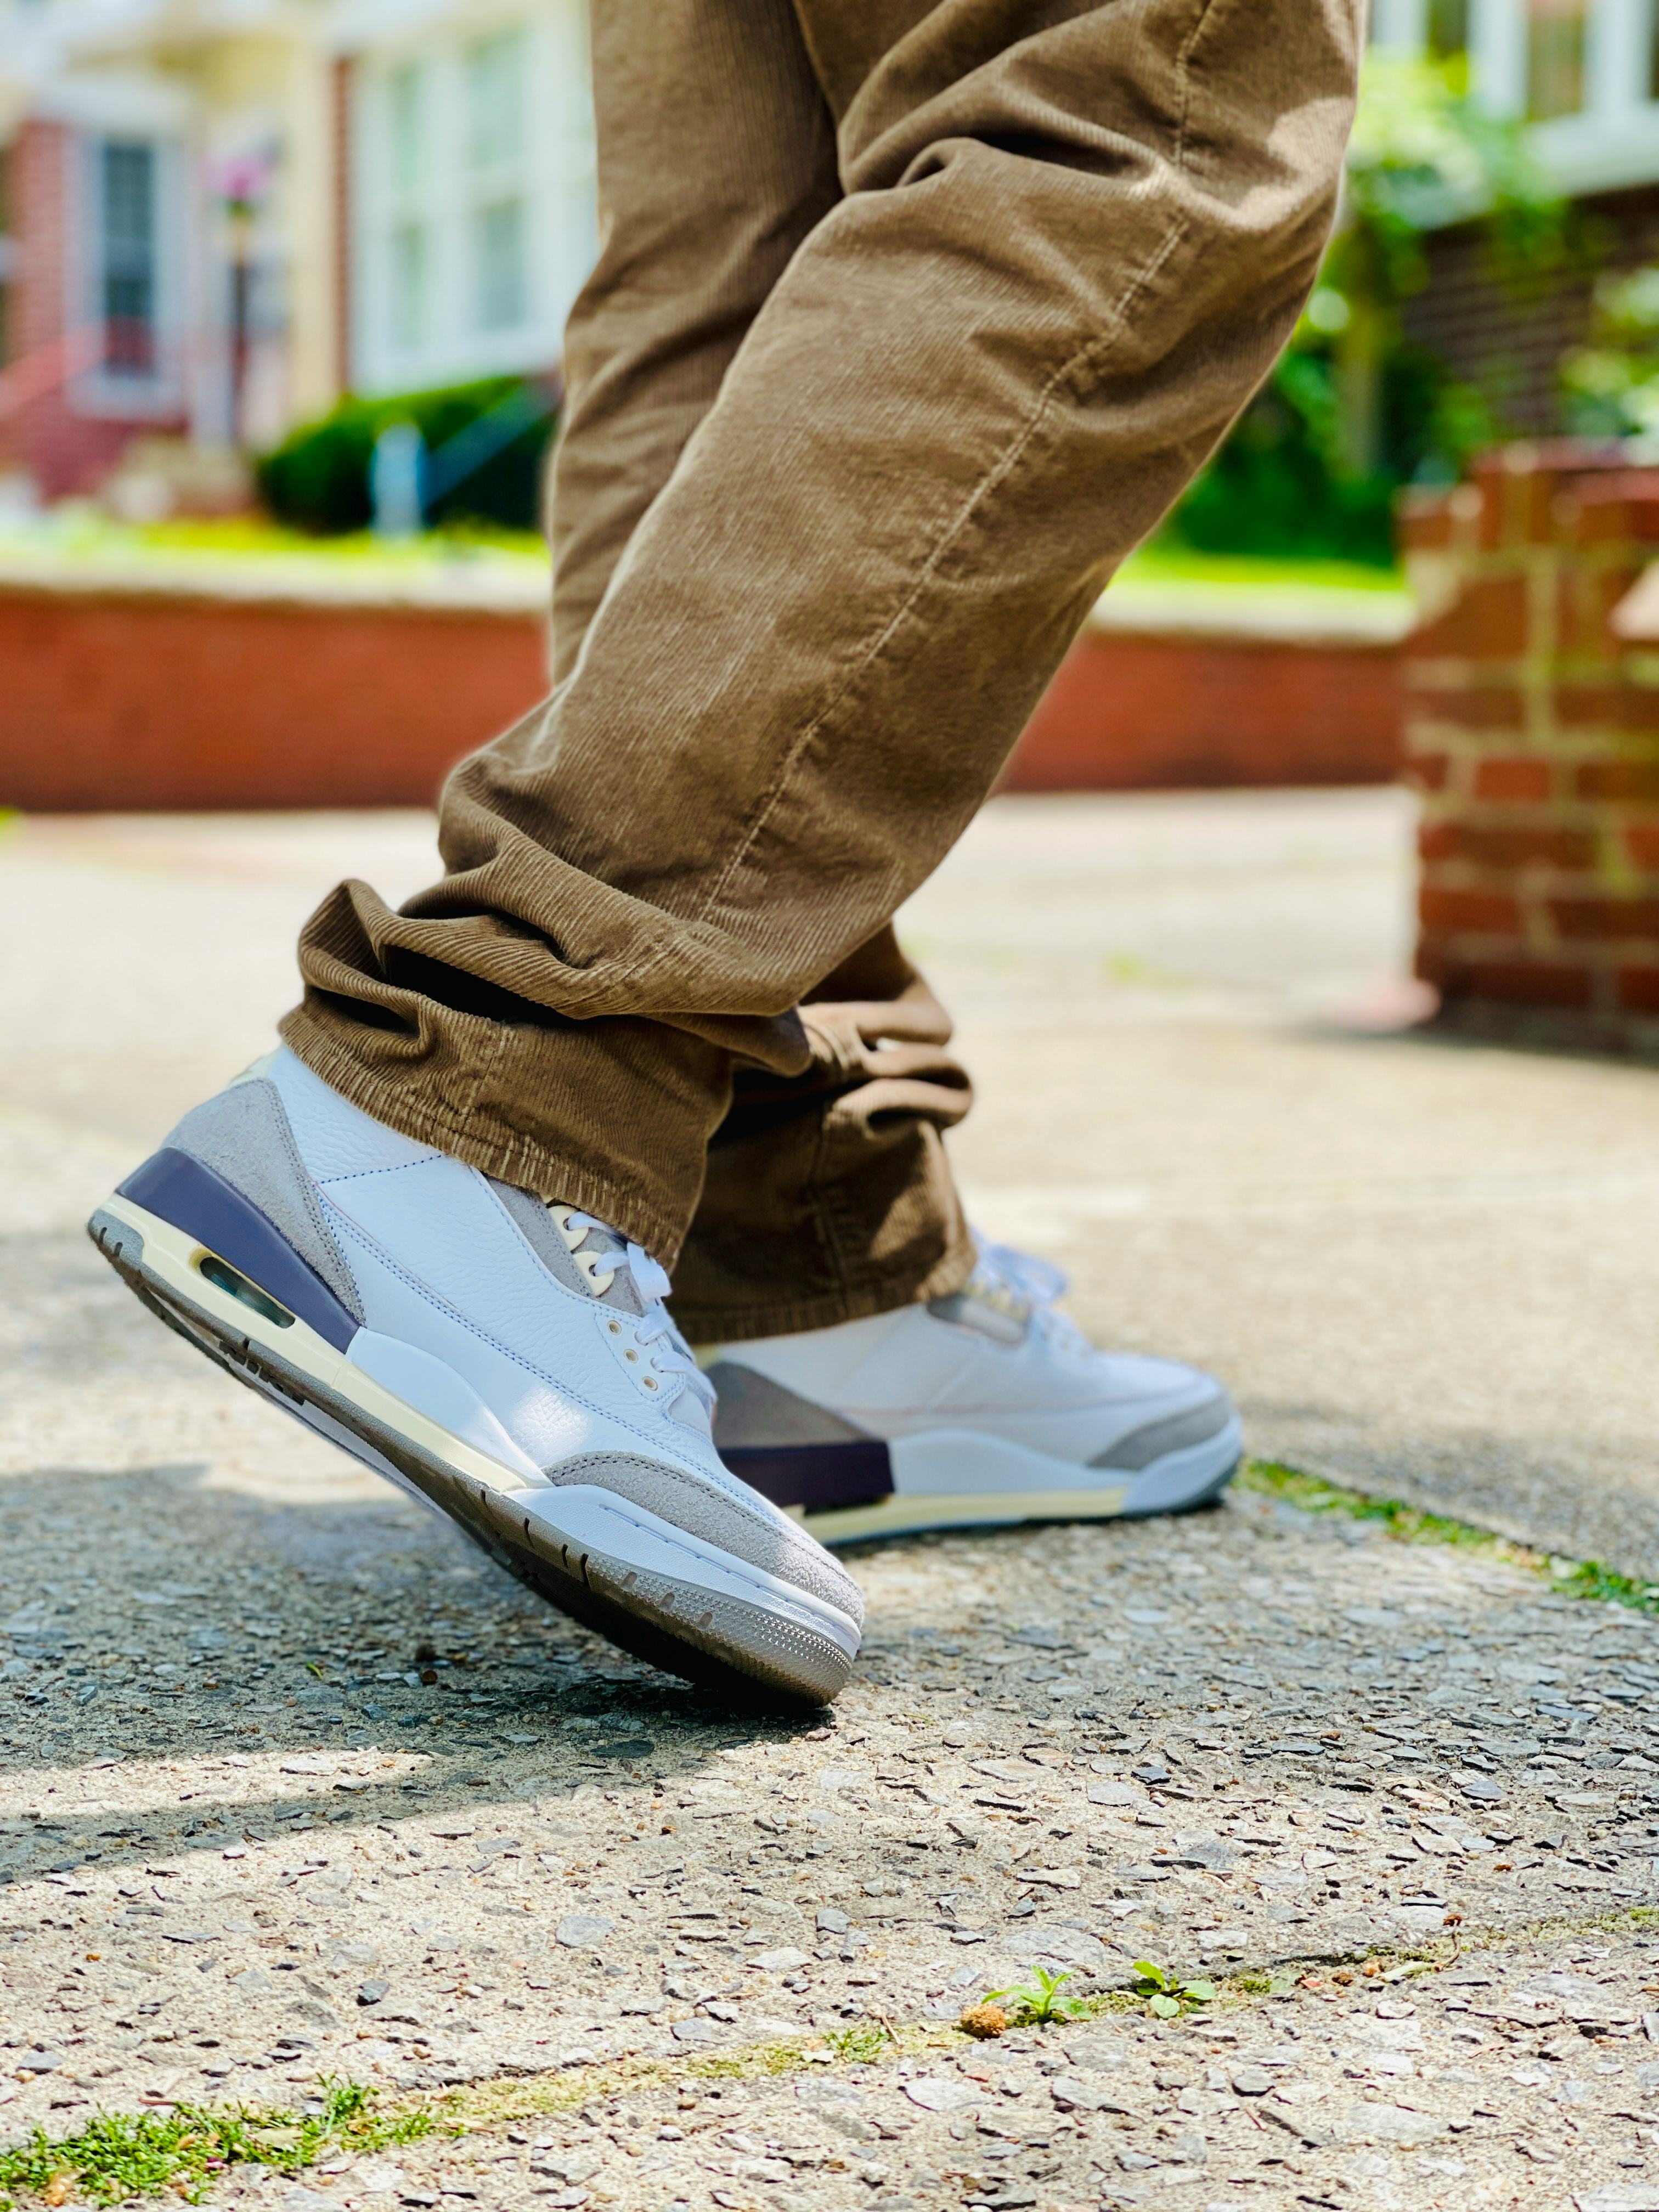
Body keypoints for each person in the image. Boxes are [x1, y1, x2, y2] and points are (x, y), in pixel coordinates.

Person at [90, 0, 1361, 1707]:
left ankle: (796, 1259)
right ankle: (500, 1097)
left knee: (725, 280)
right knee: (1144, 111)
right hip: (495, 1068)